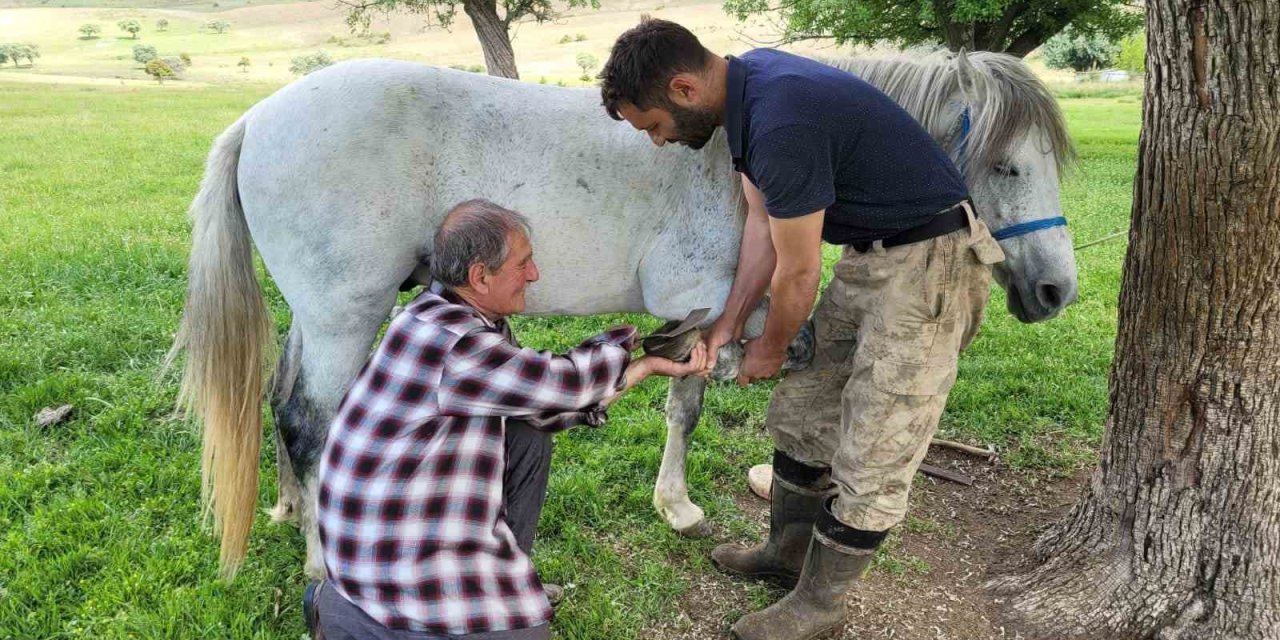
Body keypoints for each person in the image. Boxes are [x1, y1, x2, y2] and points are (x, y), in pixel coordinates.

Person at [599, 19, 1004, 640]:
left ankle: (820, 604)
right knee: (804, 410)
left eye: (652, 125)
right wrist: (731, 323)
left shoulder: (780, 122)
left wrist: (770, 348)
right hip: (873, 259)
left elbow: (798, 271)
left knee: (877, 443)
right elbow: (763, 224)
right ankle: (786, 554)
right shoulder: (749, 93)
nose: (658, 141)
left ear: (683, 89)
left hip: (931, 266)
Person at [310, 198, 706, 639]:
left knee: (527, 434)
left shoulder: (440, 314)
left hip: (376, 527)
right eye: (523, 264)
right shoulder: (458, 346)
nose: (534, 274)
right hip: (383, 566)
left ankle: (497, 573)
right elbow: (567, 384)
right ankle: (356, 619)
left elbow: (544, 402)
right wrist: (638, 348)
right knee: (525, 635)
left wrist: (647, 366)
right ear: (480, 277)